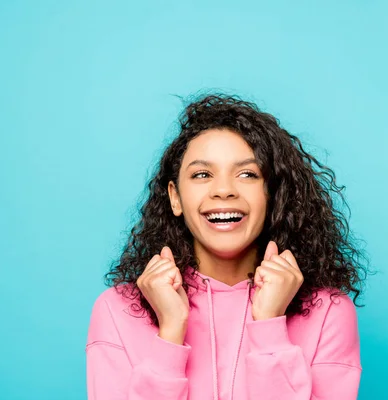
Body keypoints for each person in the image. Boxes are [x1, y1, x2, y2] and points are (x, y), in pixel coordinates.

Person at [86, 93, 368, 399]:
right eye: (202, 174)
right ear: (175, 197)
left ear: (272, 194)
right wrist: (170, 333)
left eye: (247, 174)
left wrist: (270, 327)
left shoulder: (328, 312)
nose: (223, 190)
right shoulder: (117, 310)